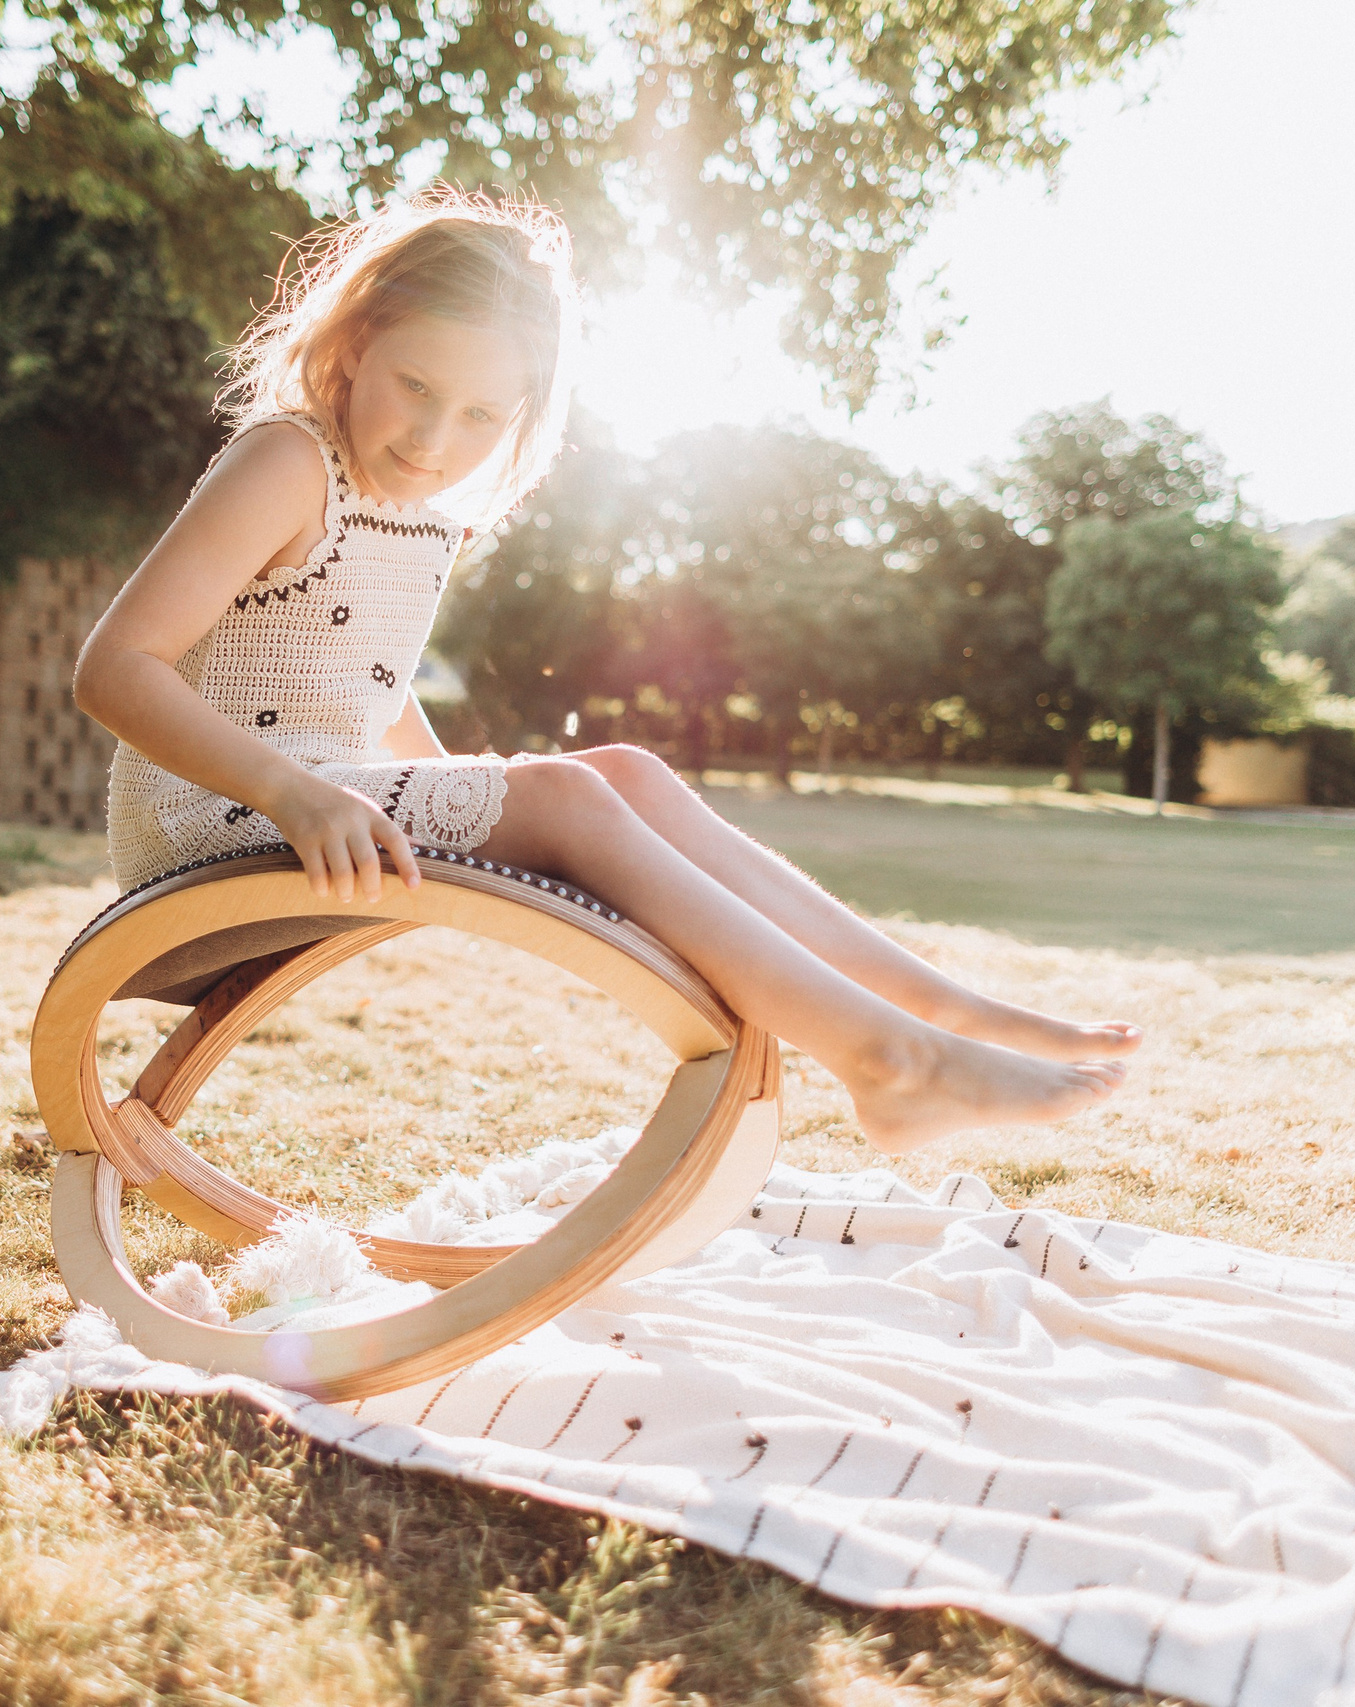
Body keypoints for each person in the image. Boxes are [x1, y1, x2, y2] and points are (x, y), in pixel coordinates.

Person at [74, 188, 1137, 1153]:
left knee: (621, 771)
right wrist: (291, 791)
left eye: (481, 416)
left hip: (314, 809)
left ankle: (938, 1009)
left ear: (522, 416)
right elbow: (114, 668)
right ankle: (892, 1061)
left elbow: (368, 688)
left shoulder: (423, 516)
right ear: (356, 344)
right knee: (568, 795)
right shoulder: (289, 459)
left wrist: (462, 786)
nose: (435, 437)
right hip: (201, 830)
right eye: (415, 386)